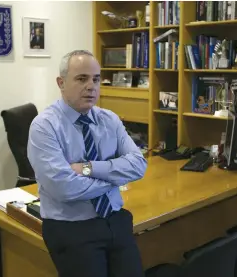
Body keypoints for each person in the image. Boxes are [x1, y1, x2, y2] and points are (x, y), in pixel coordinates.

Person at [27, 50, 147, 277]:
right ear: (61, 83)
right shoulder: (44, 126)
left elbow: (139, 165)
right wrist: (116, 177)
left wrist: (89, 168)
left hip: (114, 219)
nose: (91, 86)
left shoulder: (109, 119)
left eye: (96, 79)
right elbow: (65, 187)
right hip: (71, 228)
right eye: (82, 79)